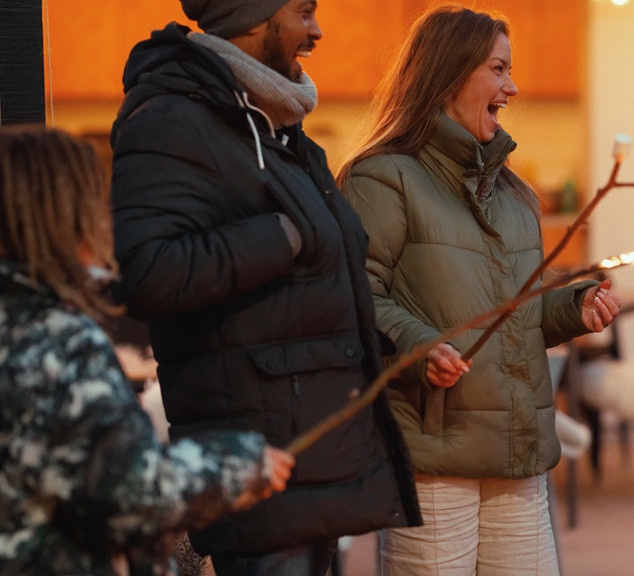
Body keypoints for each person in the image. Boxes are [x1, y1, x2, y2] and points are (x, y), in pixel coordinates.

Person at [109, 0, 422, 574]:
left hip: (312, 461)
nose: (317, 30)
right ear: (253, 16)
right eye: (304, 12)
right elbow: (147, 273)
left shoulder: (276, 125)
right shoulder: (171, 118)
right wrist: (278, 236)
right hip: (260, 465)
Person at [336, 6, 623, 575]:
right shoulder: (381, 177)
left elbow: (515, 307)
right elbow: (353, 297)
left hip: (516, 452)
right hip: (434, 454)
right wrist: (421, 348)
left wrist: (573, 305)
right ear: (448, 73)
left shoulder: (514, 195)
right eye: (497, 69)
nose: (511, 86)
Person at [0, 124, 294, 575]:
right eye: (90, 204)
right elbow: (130, 491)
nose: (103, 220)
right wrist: (237, 464)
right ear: (56, 219)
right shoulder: (61, 341)